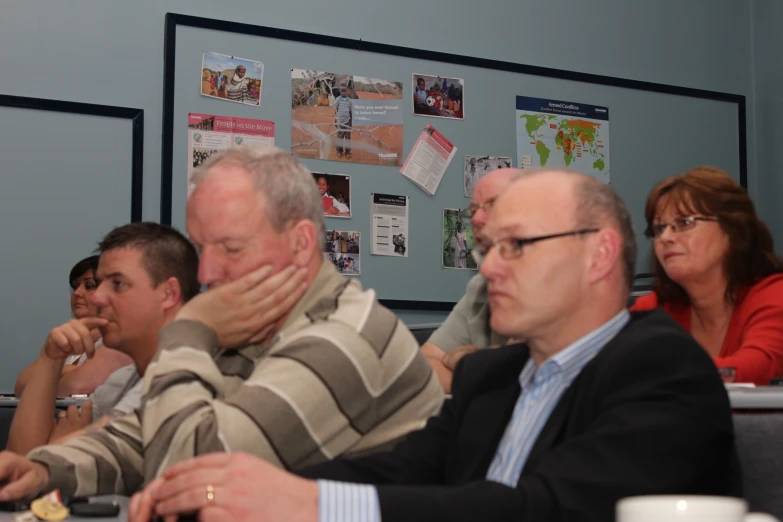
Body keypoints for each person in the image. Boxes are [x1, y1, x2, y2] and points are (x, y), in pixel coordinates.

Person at [127, 169, 740, 522]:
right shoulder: (495, 379)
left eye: (516, 245)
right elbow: (394, 470)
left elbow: (540, 510)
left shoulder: (661, 367)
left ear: (599, 253)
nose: (491, 268)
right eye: (490, 246)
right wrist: (223, 484)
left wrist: (310, 504)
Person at [0, 146, 443, 501]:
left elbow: (194, 468)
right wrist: (43, 470)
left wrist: (190, 327)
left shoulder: (346, 336)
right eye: (199, 246)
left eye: (230, 248)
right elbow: (145, 435)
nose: (207, 272)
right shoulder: (256, 322)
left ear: (301, 242)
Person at [6, 223, 200, 455]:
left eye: (117, 284)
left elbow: (31, 467)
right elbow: (21, 460)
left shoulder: (188, 380)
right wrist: (51, 358)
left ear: (168, 294)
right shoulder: (125, 381)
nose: (96, 297)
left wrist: (60, 445)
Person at [631, 166, 783, 385]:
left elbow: (757, 369)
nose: (665, 237)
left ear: (732, 231)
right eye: (659, 228)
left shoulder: (774, 296)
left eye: (684, 223)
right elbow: (602, 368)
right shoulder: (654, 309)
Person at [421, 168, 517, 392]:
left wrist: (467, 364)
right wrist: (475, 370)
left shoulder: (566, 290)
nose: (476, 219)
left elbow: (525, 373)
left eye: (493, 206)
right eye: (473, 210)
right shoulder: (481, 287)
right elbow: (424, 365)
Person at [13, 256, 132, 398]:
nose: (76, 293)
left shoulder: (117, 338)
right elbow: (21, 385)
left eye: (88, 286)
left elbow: (76, 386)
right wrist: (66, 370)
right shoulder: (70, 337)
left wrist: (51, 374)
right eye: (75, 286)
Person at [334, 84, 353, 159]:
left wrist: (350, 123)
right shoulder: (338, 99)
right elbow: (335, 110)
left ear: (347, 91)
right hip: (340, 122)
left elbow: (351, 112)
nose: (343, 93)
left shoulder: (350, 101)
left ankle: (348, 152)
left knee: (348, 138)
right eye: (342, 91)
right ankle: (339, 151)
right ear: (340, 91)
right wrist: (335, 120)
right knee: (340, 137)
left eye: (345, 91)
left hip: (347, 121)